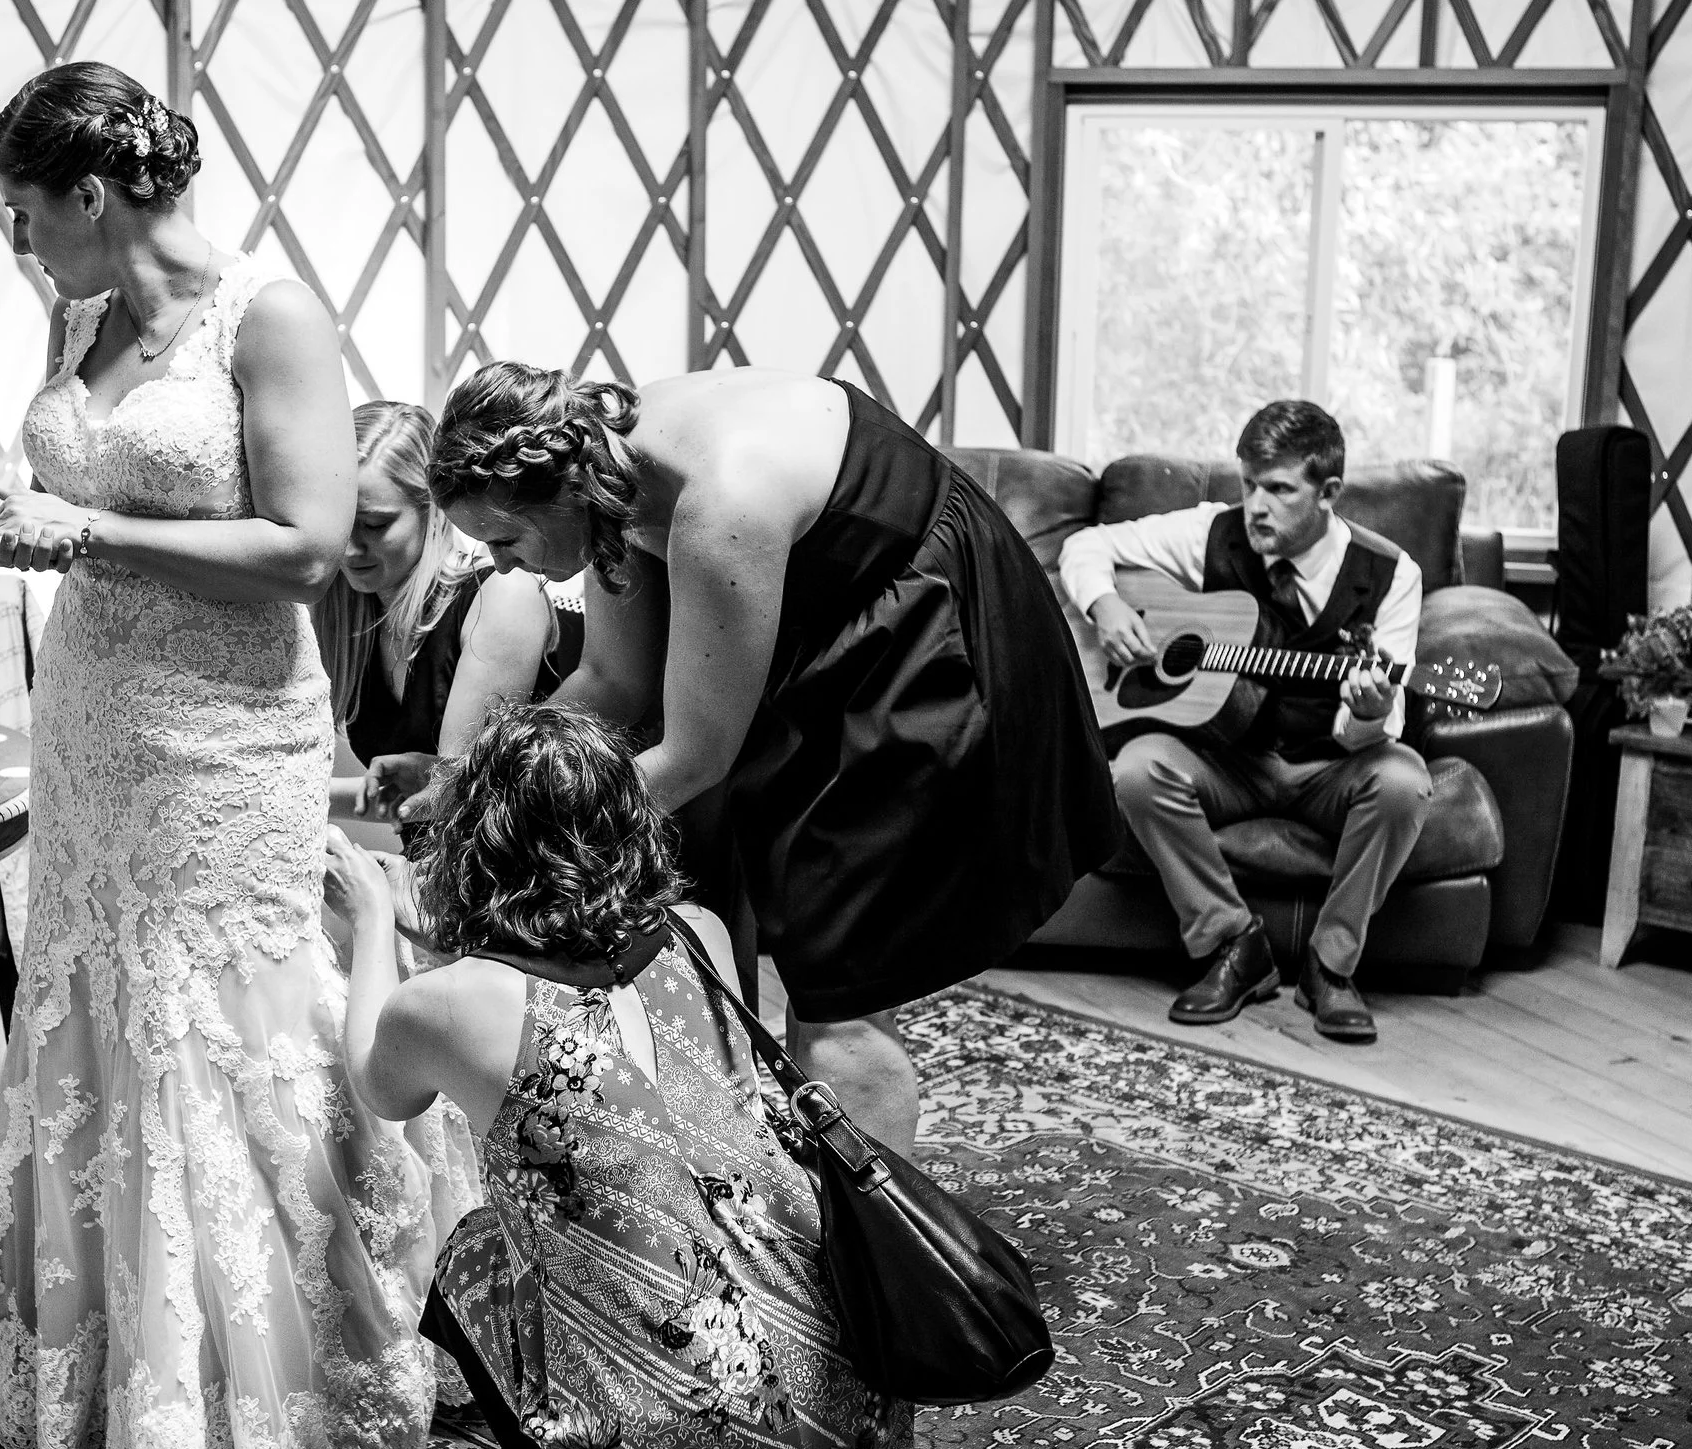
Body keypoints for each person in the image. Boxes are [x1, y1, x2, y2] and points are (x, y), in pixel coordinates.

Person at [0, 62, 454, 1449]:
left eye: (25, 213)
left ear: (92, 195)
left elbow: (308, 545)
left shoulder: (268, 317)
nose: (18, 243)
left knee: (232, 1022)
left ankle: (285, 1373)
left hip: (225, 735)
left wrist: (84, 526)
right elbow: (81, 496)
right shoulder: (80, 319)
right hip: (93, 722)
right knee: (95, 1001)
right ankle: (97, 1366)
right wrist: (32, 527)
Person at [397, 364, 1116, 1158]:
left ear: (557, 490)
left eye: (504, 540)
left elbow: (693, 757)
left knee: (839, 984)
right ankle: (828, 1188)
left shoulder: (721, 500)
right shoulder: (603, 476)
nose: (501, 567)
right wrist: (476, 787)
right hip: (835, 644)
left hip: (931, 629)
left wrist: (522, 842)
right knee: (818, 956)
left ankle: (873, 1229)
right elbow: (612, 682)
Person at [329, 700, 935, 1449]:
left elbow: (380, 1080)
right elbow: (569, 972)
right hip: (848, 1386)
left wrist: (374, 920)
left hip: (696, 1433)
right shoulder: (700, 930)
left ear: (478, 846)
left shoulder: (449, 1005)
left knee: (477, 1259)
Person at [1056, 399, 1431, 1043]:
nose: (1256, 506)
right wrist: (1106, 605)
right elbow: (1086, 545)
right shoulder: (1212, 531)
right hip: (1228, 761)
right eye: (1249, 484)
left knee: (1404, 782)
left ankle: (1330, 966)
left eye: (1279, 490)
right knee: (1136, 771)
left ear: (1328, 494)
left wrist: (1369, 712)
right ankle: (1234, 944)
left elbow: (1374, 725)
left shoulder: (1392, 575)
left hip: (1329, 766)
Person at [316, 402, 574, 814]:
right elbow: (406, 796)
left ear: (434, 509)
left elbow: (459, 797)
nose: (348, 548)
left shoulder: (501, 595)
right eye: (338, 523)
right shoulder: (352, 619)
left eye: (375, 525)